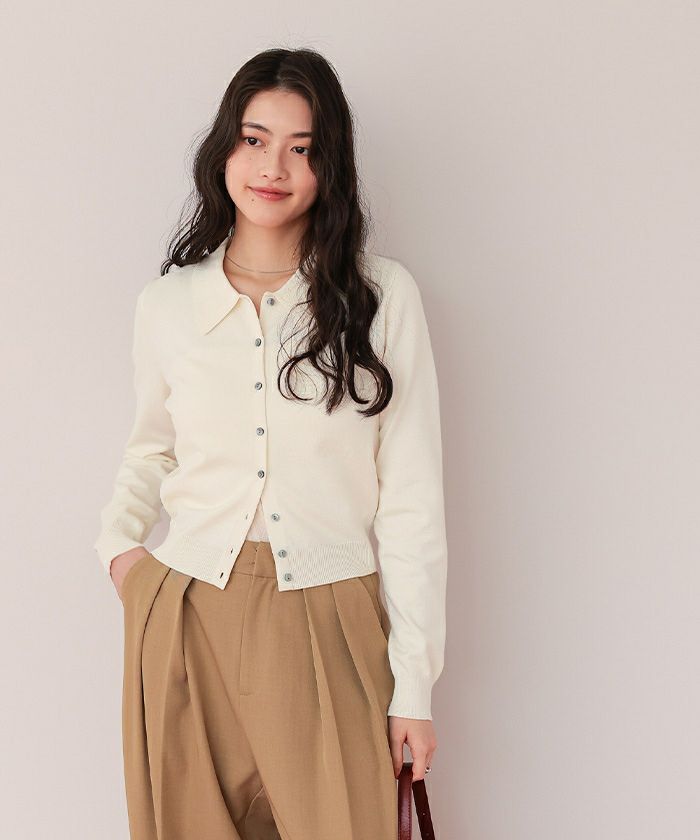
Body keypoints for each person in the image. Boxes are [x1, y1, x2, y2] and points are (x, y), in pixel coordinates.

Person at [94, 46, 448, 840]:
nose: (272, 167)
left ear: (329, 167)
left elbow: (412, 501)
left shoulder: (381, 298)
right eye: (255, 140)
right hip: (186, 613)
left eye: (301, 148)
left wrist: (413, 689)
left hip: (331, 616)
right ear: (225, 147)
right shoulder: (168, 304)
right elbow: (150, 450)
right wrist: (121, 551)